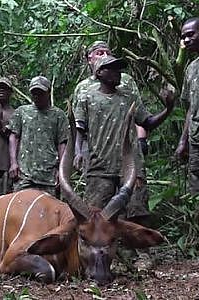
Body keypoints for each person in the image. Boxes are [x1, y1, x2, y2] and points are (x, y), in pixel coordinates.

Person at [74, 55, 174, 216]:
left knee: (137, 213)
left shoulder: (129, 97)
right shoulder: (87, 98)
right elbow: (80, 128)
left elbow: (147, 122)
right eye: (112, 69)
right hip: (100, 166)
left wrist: (168, 108)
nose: (117, 72)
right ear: (99, 73)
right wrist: (78, 152)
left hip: (131, 166)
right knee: (95, 215)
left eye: (118, 69)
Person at [73, 41, 149, 224]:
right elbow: (79, 126)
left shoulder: (126, 83)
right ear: (89, 59)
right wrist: (80, 153)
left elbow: (138, 114)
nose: (104, 55)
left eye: (107, 52)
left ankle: (136, 249)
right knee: (98, 210)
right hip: (99, 158)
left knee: (135, 208)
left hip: (127, 155)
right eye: (99, 52)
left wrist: (141, 139)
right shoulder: (82, 89)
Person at [8, 76, 68, 196]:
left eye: (40, 93)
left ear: (48, 92)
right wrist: (13, 162)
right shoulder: (22, 112)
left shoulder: (58, 115)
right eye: (34, 93)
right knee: (20, 210)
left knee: (48, 212)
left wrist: (61, 171)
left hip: (48, 177)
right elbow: (14, 137)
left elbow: (63, 143)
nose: (37, 96)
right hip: (24, 176)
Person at [175, 17, 199, 223]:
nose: (186, 40)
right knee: (198, 191)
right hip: (197, 142)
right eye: (183, 36)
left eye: (191, 34)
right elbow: (190, 108)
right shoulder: (192, 68)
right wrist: (183, 141)